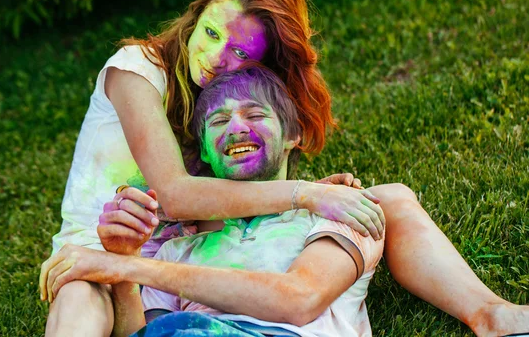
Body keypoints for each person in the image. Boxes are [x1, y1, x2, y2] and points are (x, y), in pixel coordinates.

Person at [40, 0, 529, 336]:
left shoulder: (219, 93)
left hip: (185, 231)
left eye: (239, 53)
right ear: (195, 18)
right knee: (80, 289)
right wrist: (306, 194)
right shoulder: (138, 70)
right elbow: (177, 194)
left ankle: (491, 314)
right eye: (211, 34)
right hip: (104, 241)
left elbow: (241, 195)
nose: (215, 60)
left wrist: (312, 197)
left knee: (391, 199)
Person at [41, 66, 386, 337]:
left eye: (254, 115)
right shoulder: (178, 251)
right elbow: (139, 333)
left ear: (292, 135)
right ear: (206, 150)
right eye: (219, 121)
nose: (236, 127)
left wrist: (126, 267)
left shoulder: (339, 210)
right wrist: (124, 263)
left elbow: (297, 299)